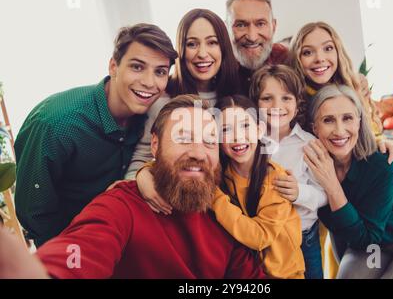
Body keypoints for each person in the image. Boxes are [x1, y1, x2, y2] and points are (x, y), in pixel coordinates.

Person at [0, 95, 266, 279]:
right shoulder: (121, 207)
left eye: (209, 141)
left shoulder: (225, 213)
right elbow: (79, 252)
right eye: (183, 137)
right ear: (155, 145)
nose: (198, 152)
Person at [14, 23, 177, 247]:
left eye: (160, 71)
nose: (150, 82)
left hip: (121, 236)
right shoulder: (56, 124)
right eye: (137, 67)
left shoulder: (150, 114)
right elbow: (35, 213)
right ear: (113, 66)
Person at [304, 85, 393, 279]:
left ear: (358, 122)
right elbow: (341, 232)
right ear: (315, 127)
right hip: (374, 247)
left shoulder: (381, 162)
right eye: (328, 120)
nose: (339, 130)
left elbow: (365, 238)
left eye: (347, 118)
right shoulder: (309, 168)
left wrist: (331, 184)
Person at [125, 8, 241, 178]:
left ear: (223, 47)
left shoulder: (237, 94)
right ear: (181, 49)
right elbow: (142, 157)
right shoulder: (163, 100)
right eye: (192, 44)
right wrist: (141, 179)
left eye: (212, 42)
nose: (202, 54)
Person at [212, 95, 304, 279]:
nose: (238, 136)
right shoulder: (222, 174)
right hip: (249, 274)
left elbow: (260, 237)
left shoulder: (276, 179)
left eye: (245, 126)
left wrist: (213, 197)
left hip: (284, 275)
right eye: (226, 129)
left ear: (259, 130)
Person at [249, 64, 327, 279]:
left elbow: (325, 194)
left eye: (286, 98)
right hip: (264, 239)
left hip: (303, 239)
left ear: (297, 102)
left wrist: (299, 193)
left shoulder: (310, 145)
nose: (277, 106)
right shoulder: (250, 142)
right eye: (267, 98)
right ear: (256, 103)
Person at [226, 0, 288, 93]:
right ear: (226, 28)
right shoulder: (216, 67)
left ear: (273, 27)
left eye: (260, 24)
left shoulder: (289, 60)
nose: (252, 37)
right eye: (241, 25)